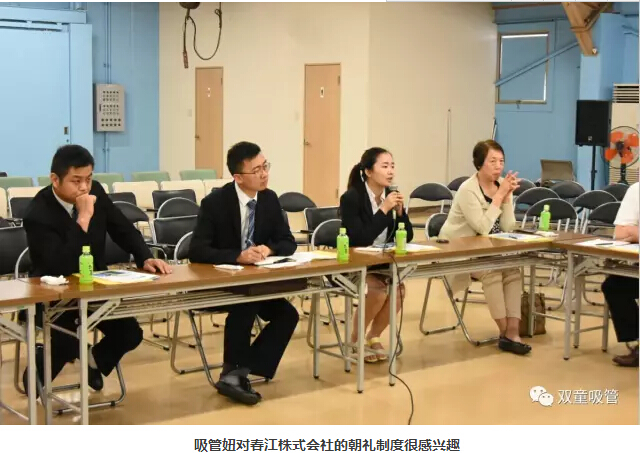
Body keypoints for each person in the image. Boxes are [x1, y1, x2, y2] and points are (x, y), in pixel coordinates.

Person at [22, 144, 171, 395]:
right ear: (55, 180)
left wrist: (144, 256)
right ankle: (37, 373)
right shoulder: (38, 213)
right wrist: (83, 218)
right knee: (67, 342)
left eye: (88, 179)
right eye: (76, 180)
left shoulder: (97, 192)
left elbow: (122, 227)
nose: (84, 187)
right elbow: (59, 264)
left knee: (130, 333)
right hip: (54, 293)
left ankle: (93, 361)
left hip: (95, 285)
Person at [189, 141, 299, 405]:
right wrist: (237, 256)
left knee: (288, 314)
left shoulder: (269, 199)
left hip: (256, 281)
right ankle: (234, 374)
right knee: (246, 304)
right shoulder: (215, 203)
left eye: (265, 166)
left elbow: (288, 241)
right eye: (257, 170)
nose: (264, 174)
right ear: (238, 177)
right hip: (222, 279)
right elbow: (197, 250)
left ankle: (238, 371)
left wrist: (268, 249)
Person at [439, 140, 529, 355]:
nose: (498, 166)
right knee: (492, 272)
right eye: (492, 161)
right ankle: (505, 332)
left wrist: (507, 198)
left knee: (513, 270)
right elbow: (482, 227)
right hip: (461, 250)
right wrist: (499, 196)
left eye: (501, 161)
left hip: (490, 250)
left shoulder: (501, 186)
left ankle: (513, 331)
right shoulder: (468, 190)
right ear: (479, 164)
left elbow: (508, 226)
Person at [339, 147, 412, 362]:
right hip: (356, 259)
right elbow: (361, 238)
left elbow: (406, 236)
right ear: (369, 172)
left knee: (399, 291)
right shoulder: (352, 198)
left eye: (392, 166)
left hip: (382, 259)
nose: (390, 171)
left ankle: (373, 336)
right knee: (378, 291)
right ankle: (355, 339)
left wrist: (400, 214)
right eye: (385, 166)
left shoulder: (390, 196)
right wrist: (383, 210)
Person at [601, 181, 639, 367]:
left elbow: (631, 231)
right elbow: (621, 232)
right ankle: (637, 341)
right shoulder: (637, 190)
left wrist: (636, 233)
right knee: (614, 286)